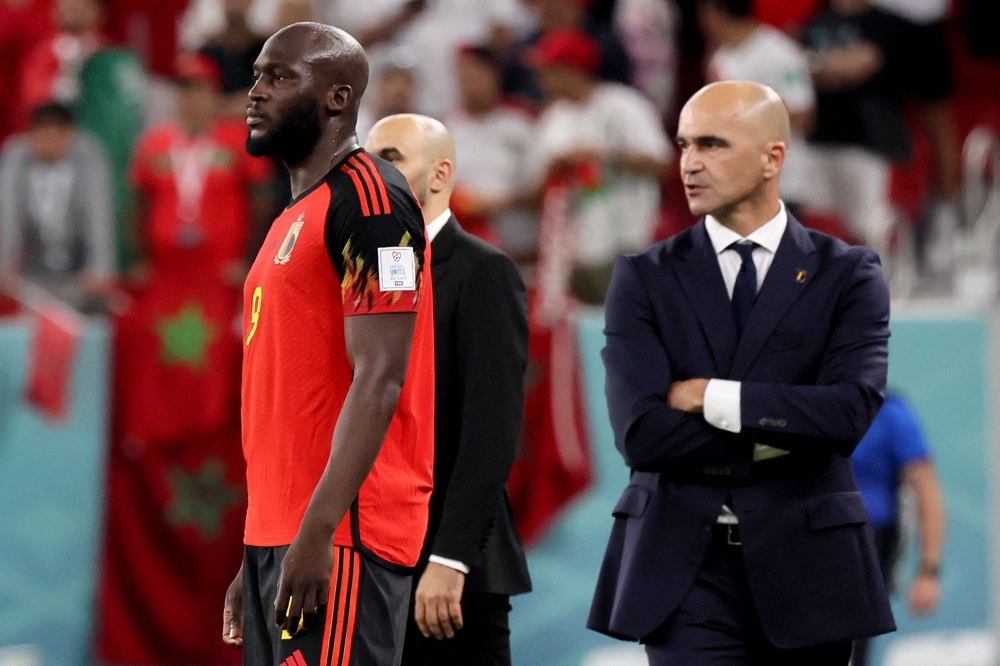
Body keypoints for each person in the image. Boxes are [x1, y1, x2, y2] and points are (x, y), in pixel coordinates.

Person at [587, 81, 895, 665]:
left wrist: (711, 397)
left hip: (811, 568)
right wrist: (783, 434)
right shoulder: (643, 278)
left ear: (772, 157)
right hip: (684, 571)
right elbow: (643, 435)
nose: (689, 163)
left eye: (712, 144)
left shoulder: (849, 274)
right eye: (682, 145)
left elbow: (847, 415)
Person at [221, 23, 435, 666]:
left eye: (279, 77)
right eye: (257, 75)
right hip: (284, 534)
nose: (254, 94)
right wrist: (260, 545)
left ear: (337, 98)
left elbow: (380, 379)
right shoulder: (290, 216)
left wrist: (316, 533)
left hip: (342, 536)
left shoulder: (371, 202)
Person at [94, 54, 271, 666]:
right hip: (170, 279)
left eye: (202, 91)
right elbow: (133, 207)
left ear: (213, 97)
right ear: (177, 98)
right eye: (185, 91)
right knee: (149, 344)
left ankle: (214, 417)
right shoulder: (156, 145)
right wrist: (137, 258)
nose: (193, 101)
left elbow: (262, 197)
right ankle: (156, 426)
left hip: (216, 277)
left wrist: (247, 257)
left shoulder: (232, 143)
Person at [365, 113, 532, 666]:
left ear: (439, 175)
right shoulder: (366, 275)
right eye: (367, 161)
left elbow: (491, 430)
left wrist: (452, 558)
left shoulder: (486, 272)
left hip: (449, 576)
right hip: (370, 562)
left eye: (390, 158)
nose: (371, 173)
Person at [527, 28, 669, 304]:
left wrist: (604, 154)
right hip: (573, 250)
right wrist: (558, 167)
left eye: (548, 70)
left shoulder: (623, 105)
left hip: (629, 239)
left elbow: (661, 164)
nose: (542, 79)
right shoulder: (554, 118)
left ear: (570, 70)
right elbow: (536, 192)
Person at [800, 0, 908, 258]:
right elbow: (795, 65)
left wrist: (817, 65)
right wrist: (832, 66)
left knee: (869, 227)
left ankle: (880, 288)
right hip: (819, 140)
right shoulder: (816, 19)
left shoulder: (884, 21)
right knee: (818, 226)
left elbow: (860, 65)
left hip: (867, 141)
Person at [850, 393, 946, 666]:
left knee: (850, 650)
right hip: (801, 550)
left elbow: (926, 489)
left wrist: (929, 570)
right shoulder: (799, 402)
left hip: (865, 552)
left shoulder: (888, 412)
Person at [701, 0, 816, 214]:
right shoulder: (721, 57)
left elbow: (803, 116)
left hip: (779, 186)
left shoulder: (779, 53)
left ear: (714, 12)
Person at [0, 102, 115, 310]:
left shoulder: (88, 157)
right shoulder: (15, 158)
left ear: (70, 135)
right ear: (31, 136)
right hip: (30, 274)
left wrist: (100, 268)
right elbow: (7, 215)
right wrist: (3, 265)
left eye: (57, 136)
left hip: (77, 274)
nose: (50, 144)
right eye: (43, 136)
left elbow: (99, 216)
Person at [444, 44, 538, 257]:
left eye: (477, 75)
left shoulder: (521, 123)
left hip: (518, 242)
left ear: (494, 76)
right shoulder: (444, 128)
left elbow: (541, 183)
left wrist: (503, 202)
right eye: (464, 76)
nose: (470, 83)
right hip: (463, 244)